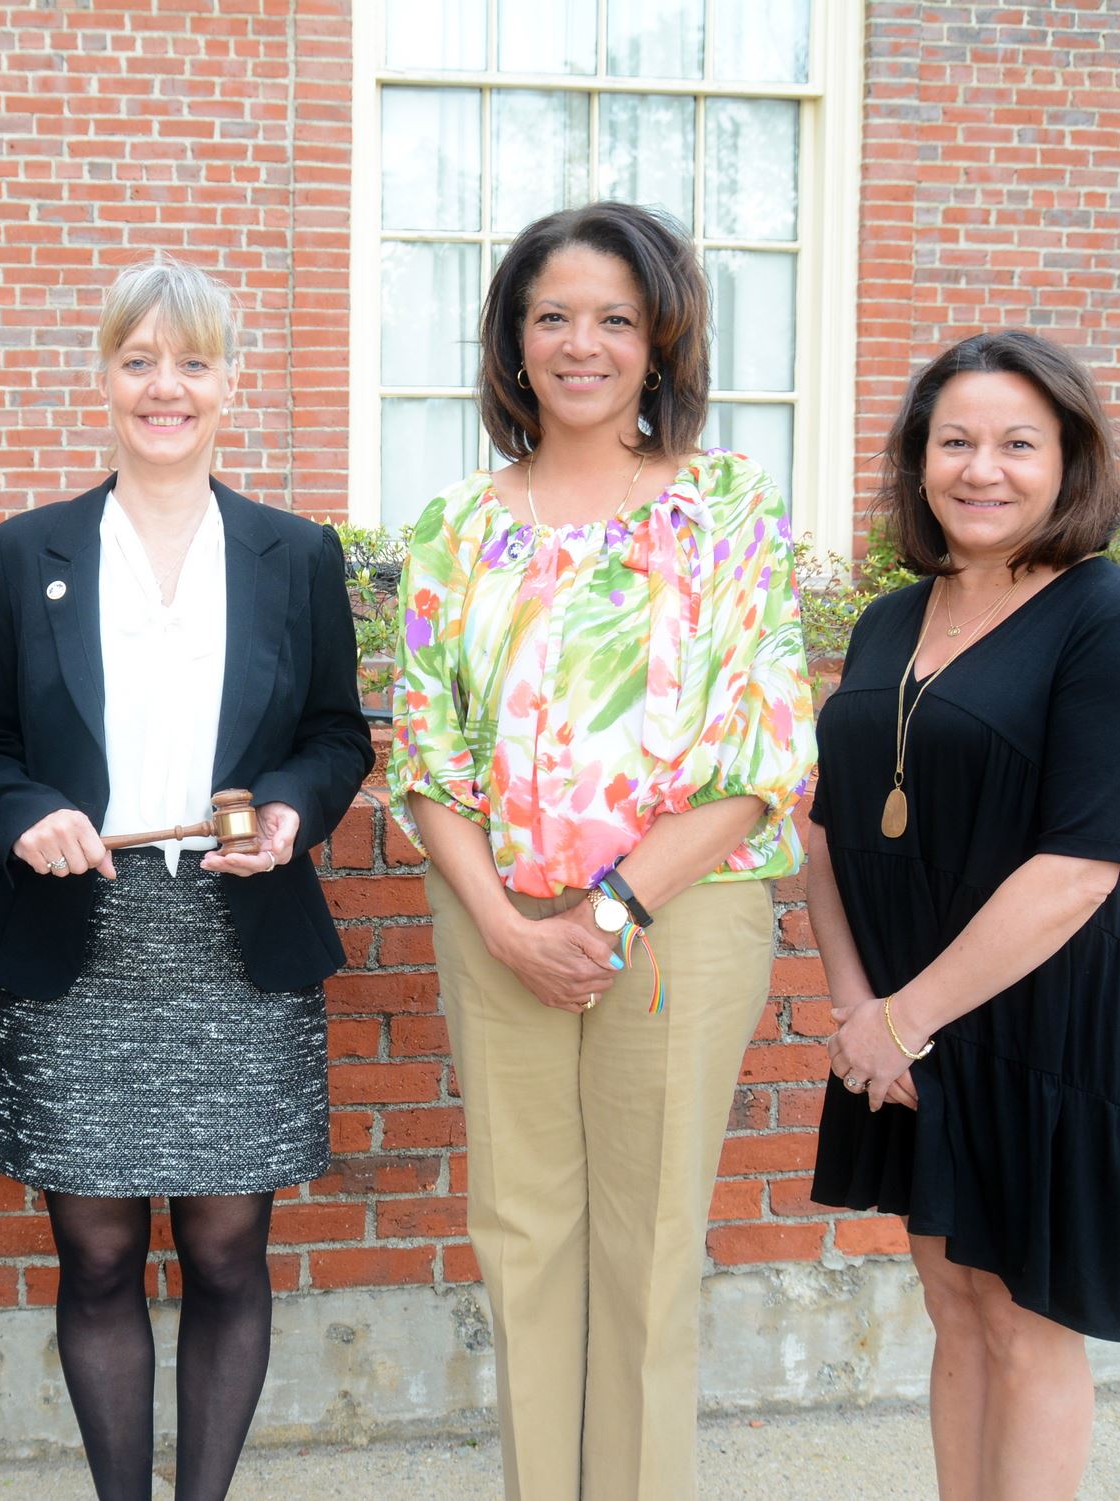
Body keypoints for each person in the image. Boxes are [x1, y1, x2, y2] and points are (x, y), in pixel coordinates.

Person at [386, 200, 817, 1501]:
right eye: (553, 317)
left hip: (683, 916)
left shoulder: (727, 507)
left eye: (615, 319)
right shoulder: (453, 526)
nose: (582, 344)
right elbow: (425, 756)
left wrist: (611, 907)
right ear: (513, 342)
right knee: (521, 1239)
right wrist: (507, 923)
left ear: (659, 341)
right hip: (495, 917)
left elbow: (763, 751)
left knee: (645, 1249)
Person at [0, 256, 371, 1501]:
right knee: (95, 1257)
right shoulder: (22, 554)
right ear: (103, 378)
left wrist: (290, 807)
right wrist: (26, 815)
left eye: (191, 362)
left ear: (232, 381)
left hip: (240, 937)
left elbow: (336, 736)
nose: (164, 387)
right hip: (80, 938)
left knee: (229, 1254)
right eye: (138, 361)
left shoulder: (296, 553)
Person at [807, 331, 1120, 1500]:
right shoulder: (889, 619)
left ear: (1070, 461)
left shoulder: (1112, 622)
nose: (982, 469)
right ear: (919, 461)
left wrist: (903, 1021)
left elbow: (1081, 868)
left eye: (1018, 444)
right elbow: (826, 827)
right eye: (956, 442)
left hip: (1050, 1020)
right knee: (954, 1299)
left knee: (1026, 1322)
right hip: (909, 1020)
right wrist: (859, 1013)